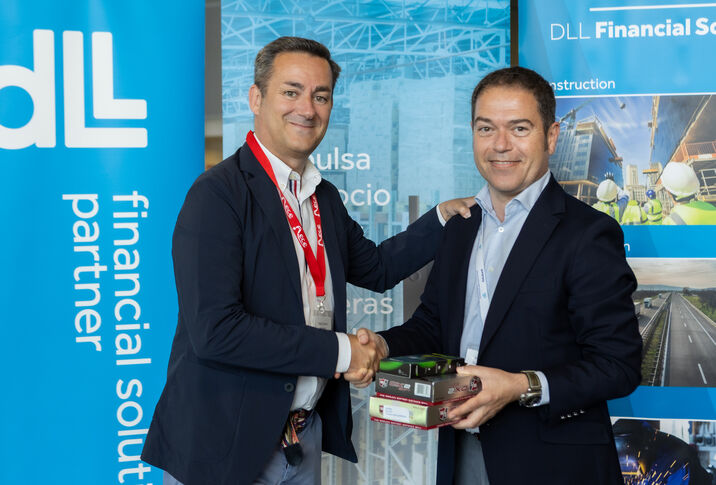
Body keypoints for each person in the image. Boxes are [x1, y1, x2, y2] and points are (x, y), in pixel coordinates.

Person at [140, 36, 473, 485]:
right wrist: (344, 352)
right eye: (291, 91)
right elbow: (216, 332)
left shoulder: (323, 196)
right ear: (256, 98)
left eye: (321, 96)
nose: (308, 109)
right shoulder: (218, 195)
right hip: (224, 445)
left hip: (302, 436)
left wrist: (440, 218)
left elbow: (375, 268)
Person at [362, 66, 642, 484]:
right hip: (462, 454)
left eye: (519, 128)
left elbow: (618, 365)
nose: (500, 145)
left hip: (552, 465)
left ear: (551, 137)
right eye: (486, 128)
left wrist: (519, 386)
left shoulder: (587, 234)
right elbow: (433, 326)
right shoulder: (460, 225)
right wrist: (383, 346)